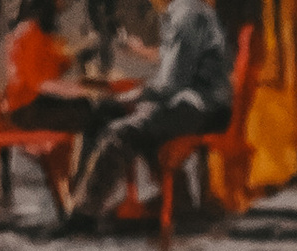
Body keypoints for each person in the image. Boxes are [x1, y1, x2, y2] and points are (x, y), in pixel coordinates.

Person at [66, 0, 235, 223]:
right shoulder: (181, 12)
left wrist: (136, 95)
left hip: (201, 107)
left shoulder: (187, 14)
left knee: (122, 132)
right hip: (189, 102)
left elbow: (171, 83)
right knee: (106, 111)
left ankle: (84, 216)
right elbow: (172, 68)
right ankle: (79, 200)